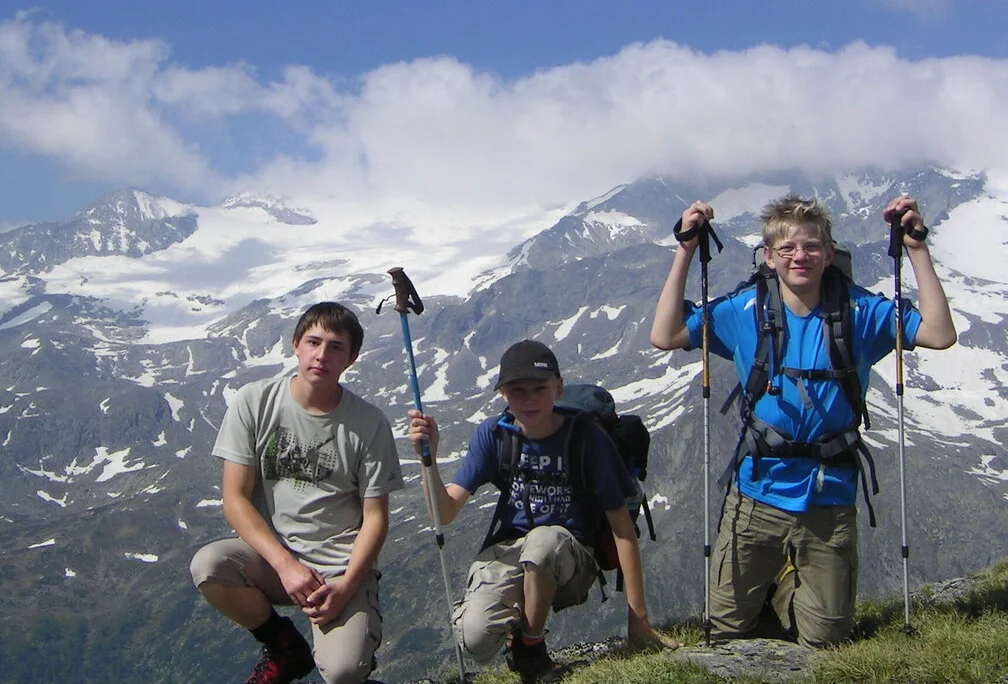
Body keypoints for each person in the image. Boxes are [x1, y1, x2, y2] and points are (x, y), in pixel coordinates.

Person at [649, 194, 956, 647]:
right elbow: (666, 335)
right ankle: (774, 585)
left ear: (829, 255)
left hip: (828, 498)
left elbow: (939, 333)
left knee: (826, 640)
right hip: (756, 493)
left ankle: (785, 590)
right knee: (726, 631)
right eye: (787, 248)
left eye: (812, 247)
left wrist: (915, 248)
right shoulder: (744, 310)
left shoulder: (860, 312)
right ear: (768, 257)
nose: (800, 256)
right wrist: (685, 250)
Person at [407, 340, 678, 683]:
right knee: (476, 639)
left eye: (539, 388)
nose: (529, 399)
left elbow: (622, 529)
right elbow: (443, 514)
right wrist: (427, 459)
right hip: (511, 550)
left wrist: (638, 621)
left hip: (571, 556)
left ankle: (530, 650)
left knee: (542, 542)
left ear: (558, 387)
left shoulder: (586, 439)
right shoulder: (494, 435)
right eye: (518, 390)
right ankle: (518, 625)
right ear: (503, 394)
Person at [189, 301, 405, 684]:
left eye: (336, 347)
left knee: (343, 672)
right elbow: (235, 500)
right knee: (209, 567)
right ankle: (284, 647)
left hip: (340, 569)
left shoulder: (368, 424)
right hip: (273, 561)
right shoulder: (254, 402)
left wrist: (347, 585)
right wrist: (286, 566)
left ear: (351, 358)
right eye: (314, 342)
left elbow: (376, 518)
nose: (322, 355)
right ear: (296, 345)